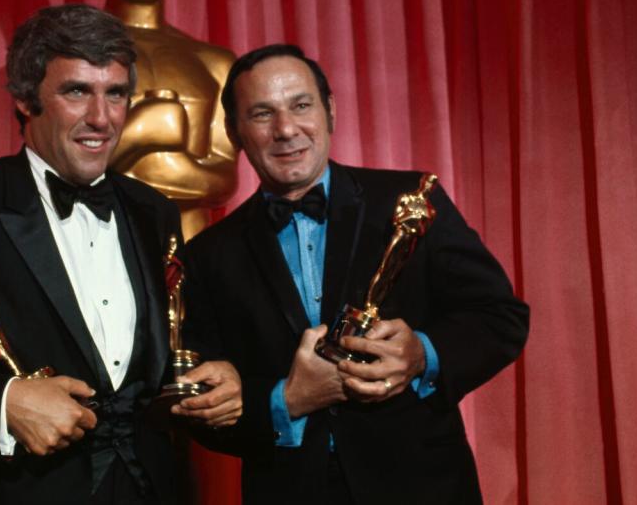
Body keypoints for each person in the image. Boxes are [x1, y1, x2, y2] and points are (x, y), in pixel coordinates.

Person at [0, 4, 242, 505]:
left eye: (116, 94)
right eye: (77, 91)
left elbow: (171, 354)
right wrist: (5, 405)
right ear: (25, 98)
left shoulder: (155, 213)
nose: (101, 119)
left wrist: (221, 379)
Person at [182, 44, 529, 504]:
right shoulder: (207, 255)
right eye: (262, 114)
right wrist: (285, 401)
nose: (286, 130)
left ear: (330, 111)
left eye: (301, 105)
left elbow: (500, 316)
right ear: (234, 132)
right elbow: (202, 406)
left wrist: (421, 355)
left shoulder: (412, 200)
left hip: (423, 487)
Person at [102, 0, 237, 240]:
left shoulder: (215, 63)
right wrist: (140, 130)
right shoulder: (76, 57)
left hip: (192, 255)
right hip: (100, 242)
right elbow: (57, 168)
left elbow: (225, 178)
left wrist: (162, 166)